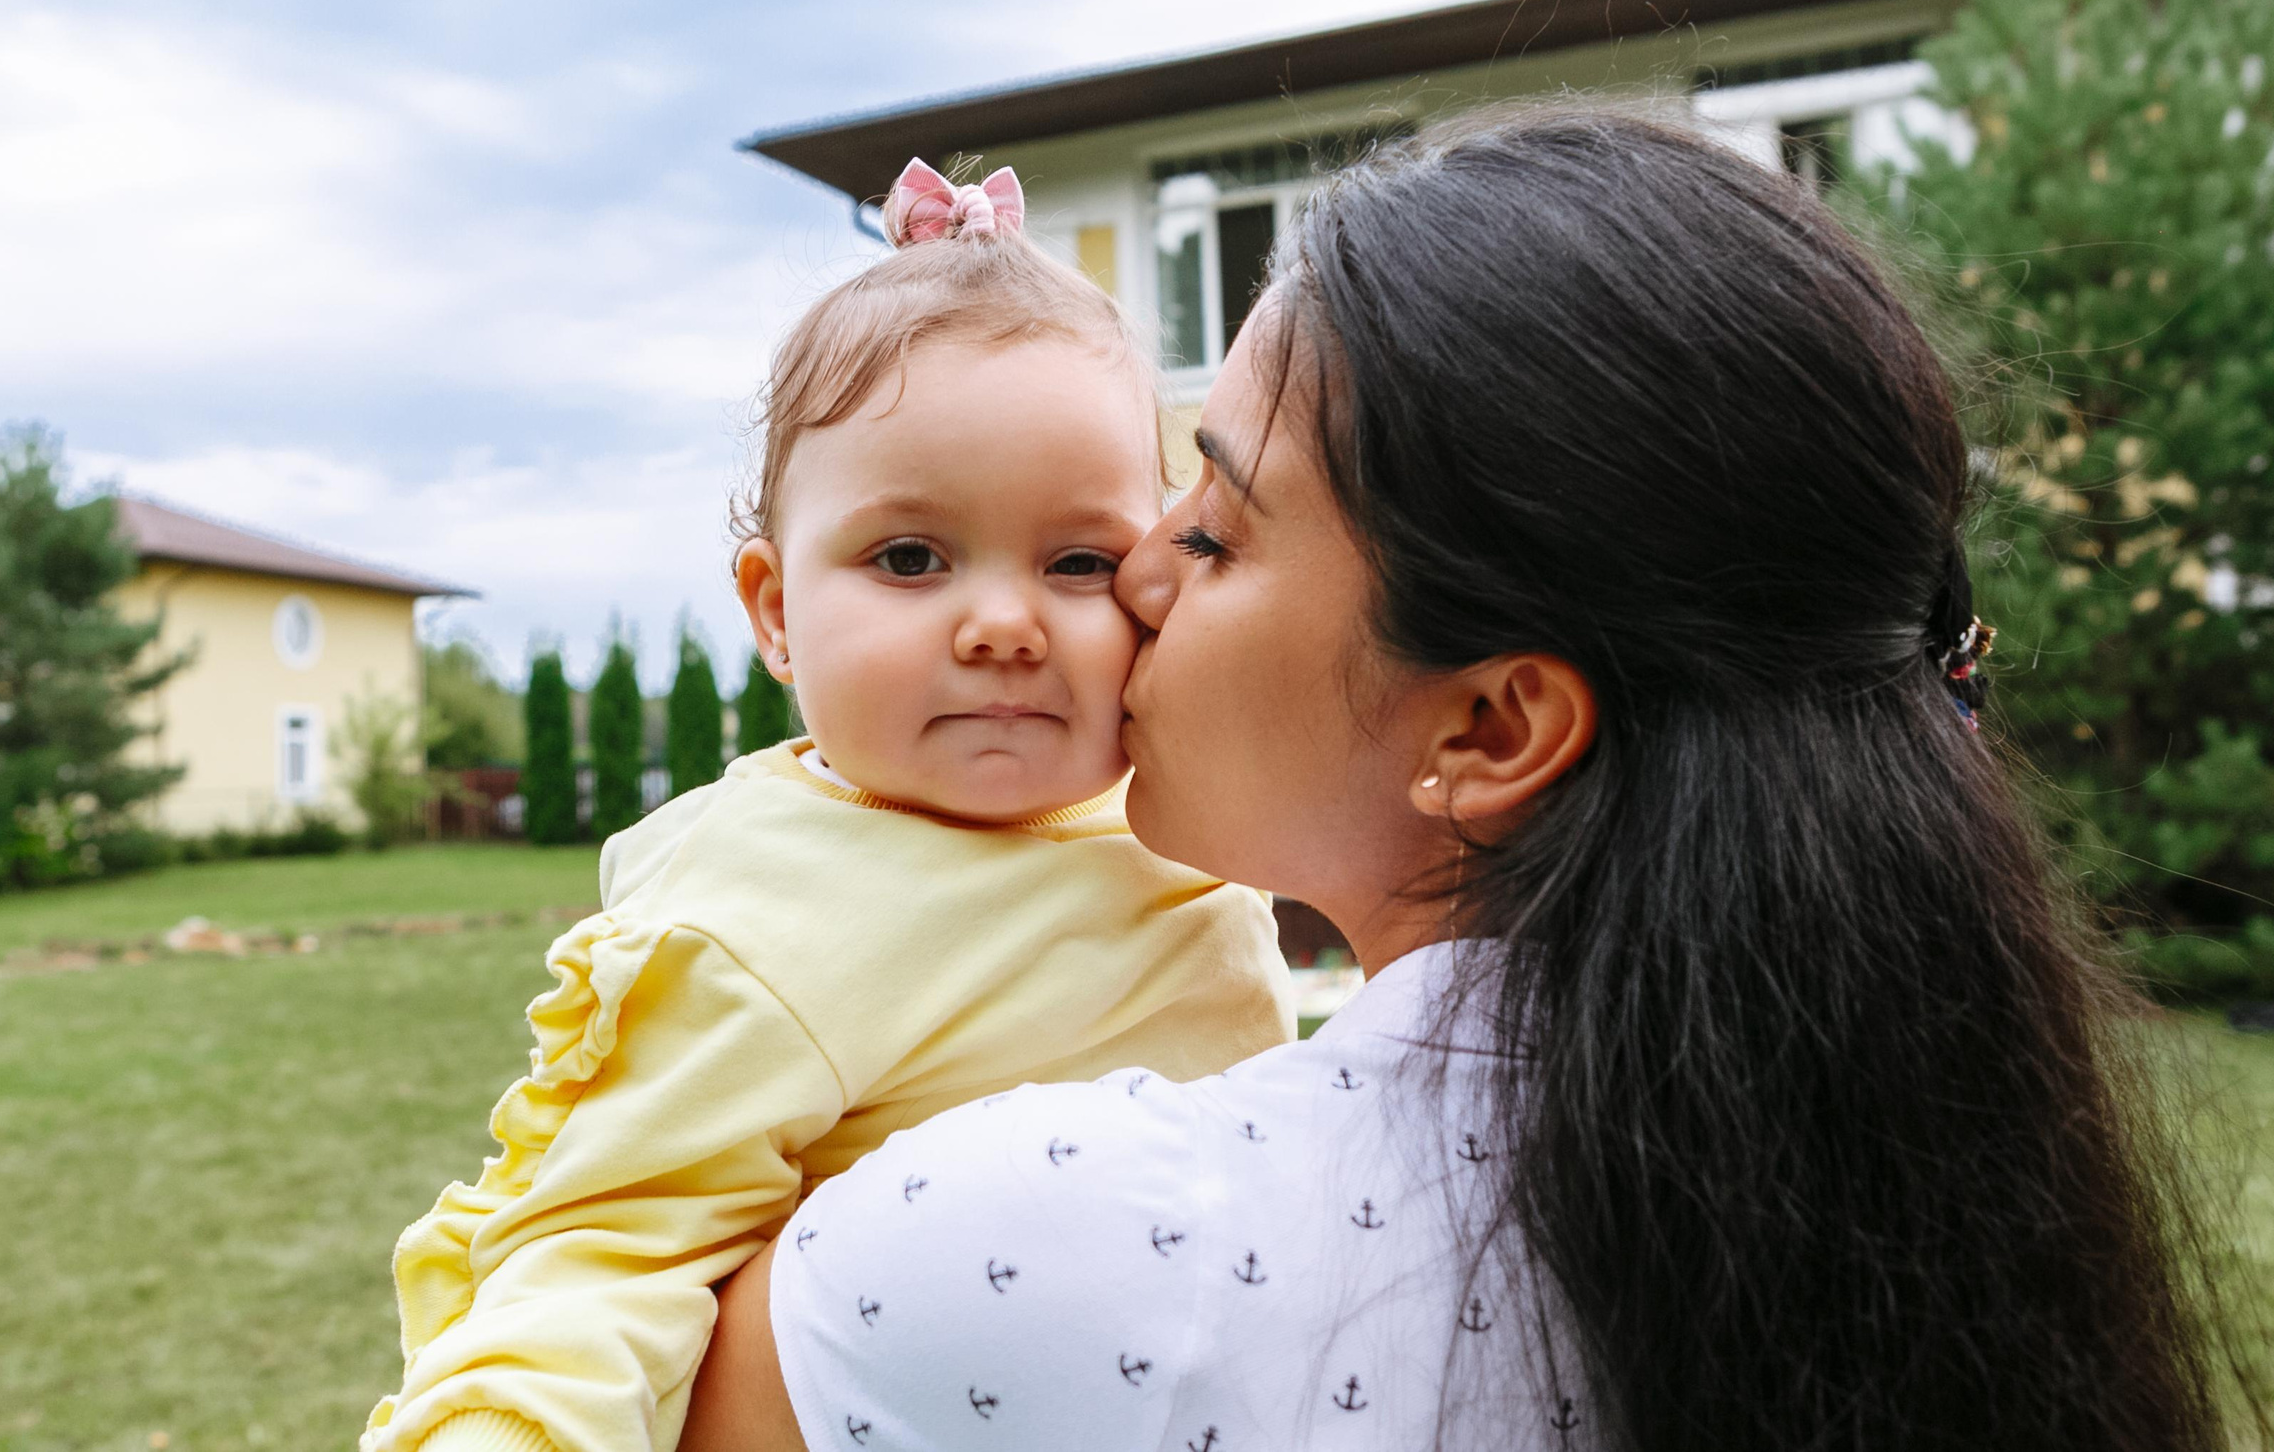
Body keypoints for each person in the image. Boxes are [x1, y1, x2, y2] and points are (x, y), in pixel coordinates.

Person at [682, 108, 2248, 1452]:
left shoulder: (1016, 1238)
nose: (1132, 577)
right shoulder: (1906, 1193)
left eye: (1214, 529)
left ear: (1493, 730)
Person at [362, 159, 1296, 1452]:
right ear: (778, 611)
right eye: (909, 558)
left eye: (1078, 561)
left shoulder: (1192, 819)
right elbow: (591, 1269)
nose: (1004, 625)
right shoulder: (757, 921)